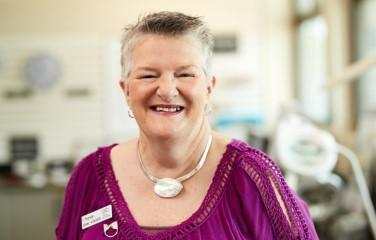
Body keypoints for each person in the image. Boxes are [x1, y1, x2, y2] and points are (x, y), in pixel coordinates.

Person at [55, 11, 318, 240]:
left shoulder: (252, 176)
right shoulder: (90, 175)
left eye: (185, 74)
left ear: (208, 87)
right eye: (148, 75)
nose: (168, 90)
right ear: (126, 90)